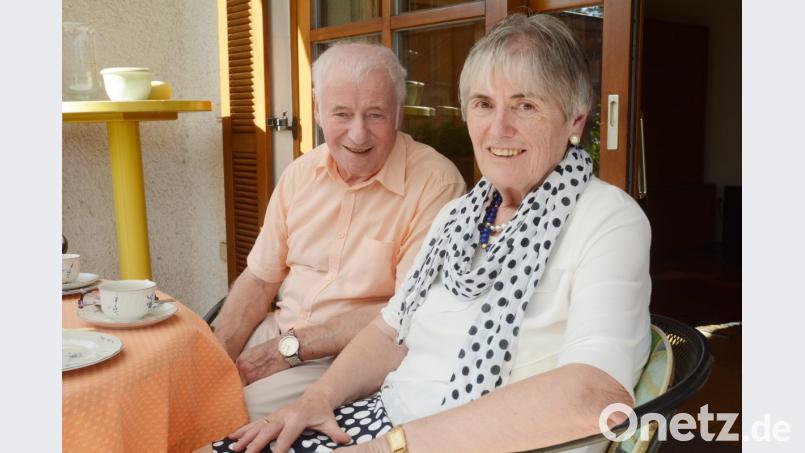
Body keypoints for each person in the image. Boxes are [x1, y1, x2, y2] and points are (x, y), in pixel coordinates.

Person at [210, 13, 651, 453]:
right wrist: (315, 401)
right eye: (483, 104)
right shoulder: (460, 217)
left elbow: (595, 393)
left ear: (575, 120)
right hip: (387, 420)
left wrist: (390, 447)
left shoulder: (608, 220)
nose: (499, 129)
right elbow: (389, 331)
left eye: (526, 105)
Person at [212, 42, 466, 421]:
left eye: (375, 115)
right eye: (342, 114)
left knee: (227, 416)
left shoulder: (436, 185)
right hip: (280, 331)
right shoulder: (301, 174)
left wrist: (292, 347)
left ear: (398, 114)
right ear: (317, 112)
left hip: (351, 355)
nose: (358, 134)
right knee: (182, 386)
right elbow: (260, 280)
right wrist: (216, 354)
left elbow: (409, 312)